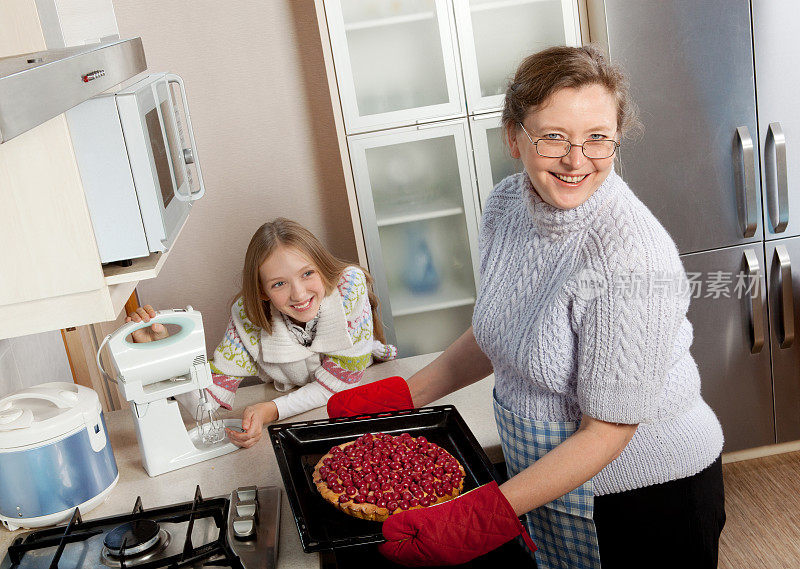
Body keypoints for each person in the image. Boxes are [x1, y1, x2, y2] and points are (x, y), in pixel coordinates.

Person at [327, 45, 725, 569]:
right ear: (513, 137)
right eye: (553, 136)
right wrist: (406, 393)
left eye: (597, 139)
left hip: (647, 493)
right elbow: (504, 332)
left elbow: (608, 430)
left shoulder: (628, 254)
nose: (576, 159)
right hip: (549, 474)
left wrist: (477, 518)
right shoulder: (506, 206)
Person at [126, 218, 397, 448]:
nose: (299, 294)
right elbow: (207, 403)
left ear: (322, 267)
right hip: (307, 414)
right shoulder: (248, 316)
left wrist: (271, 409)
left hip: (366, 394)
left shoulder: (349, 289)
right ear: (262, 292)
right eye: (279, 284)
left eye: (307, 273)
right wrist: (161, 356)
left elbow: (338, 385)